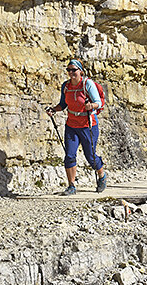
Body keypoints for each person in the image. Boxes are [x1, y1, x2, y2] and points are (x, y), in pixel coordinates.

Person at [46, 60, 107, 195]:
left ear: (80, 71)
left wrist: (91, 106)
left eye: (74, 70)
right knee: (69, 155)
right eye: (69, 70)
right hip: (71, 125)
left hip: (88, 125)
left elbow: (98, 102)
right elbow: (63, 104)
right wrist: (53, 110)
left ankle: (102, 175)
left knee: (90, 156)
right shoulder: (66, 86)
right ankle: (71, 186)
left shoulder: (87, 84)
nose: (71, 73)